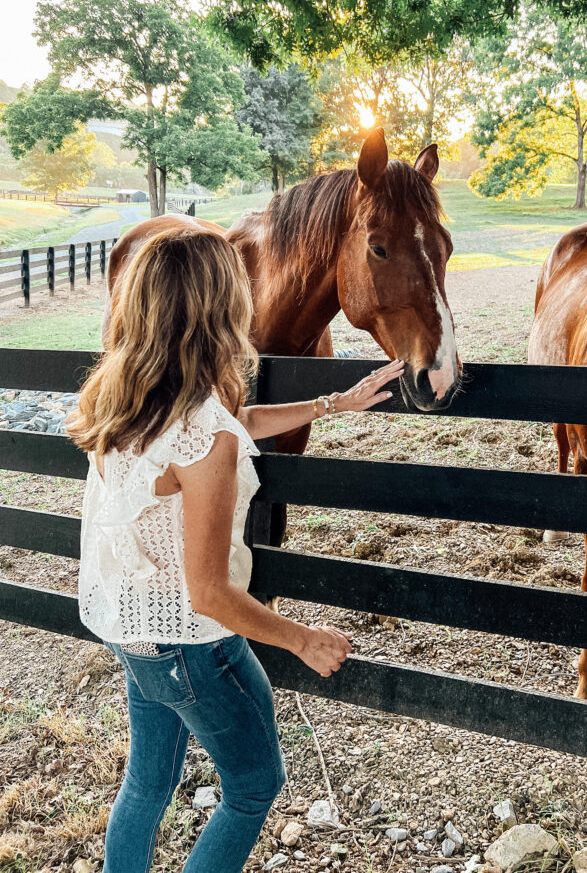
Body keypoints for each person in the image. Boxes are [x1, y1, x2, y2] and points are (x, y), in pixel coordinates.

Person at [67, 228, 404, 873]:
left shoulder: (127, 397)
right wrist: (301, 639)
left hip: (130, 628)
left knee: (148, 781)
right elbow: (210, 593)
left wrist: (333, 403)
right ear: (218, 308)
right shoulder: (202, 437)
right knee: (253, 786)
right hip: (193, 644)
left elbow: (235, 423)